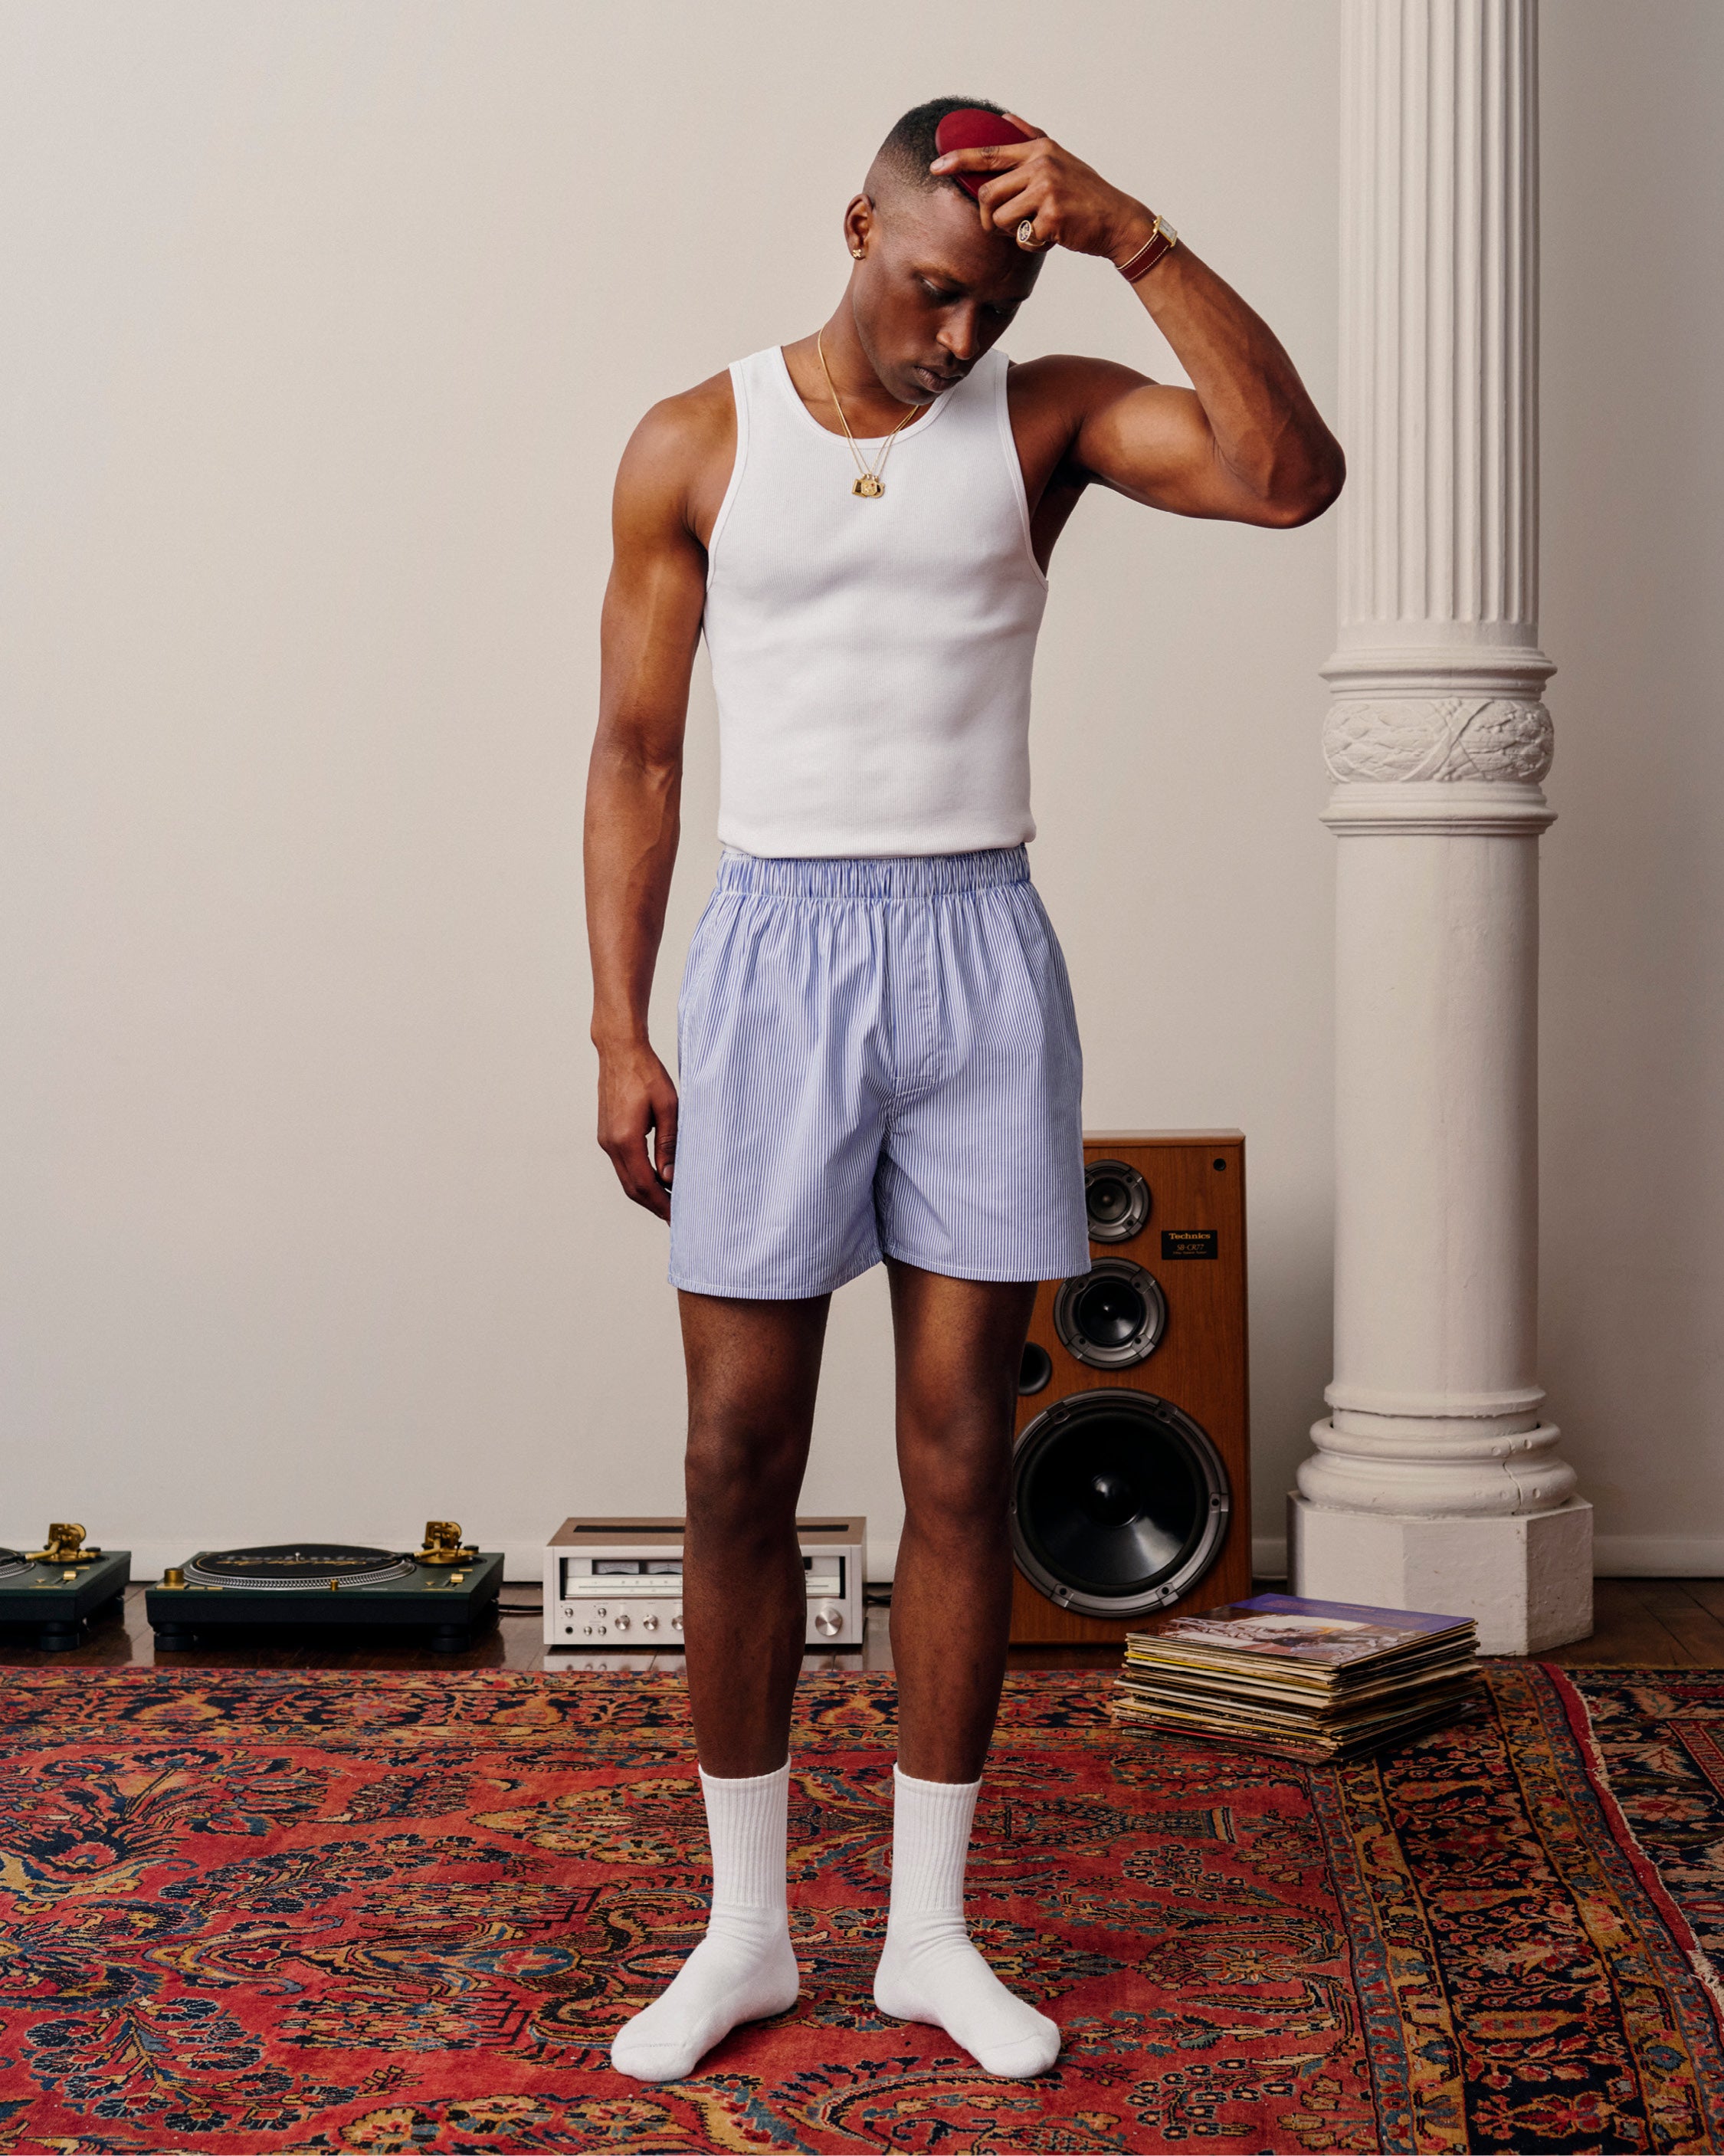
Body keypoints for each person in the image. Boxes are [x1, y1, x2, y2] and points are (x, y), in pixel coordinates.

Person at [584, 95, 1342, 2084]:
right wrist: (616, 1023)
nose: (952, 338)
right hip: (769, 962)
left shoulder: (1040, 415)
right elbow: (638, 756)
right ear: (856, 224)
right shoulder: (697, 439)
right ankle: (743, 1933)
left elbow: (1288, 479)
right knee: (737, 1457)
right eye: (930, 289)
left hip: (976, 959)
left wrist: (1137, 237)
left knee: (949, 1460)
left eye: (992, 302)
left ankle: (926, 1933)